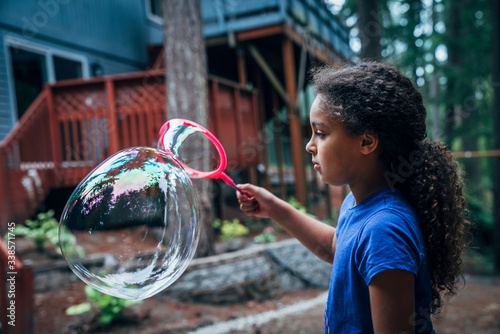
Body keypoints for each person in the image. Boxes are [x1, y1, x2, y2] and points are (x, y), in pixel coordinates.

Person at [237, 62, 470, 334]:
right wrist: (274, 208)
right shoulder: (357, 203)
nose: (309, 145)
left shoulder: (385, 230)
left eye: (321, 133)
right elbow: (336, 249)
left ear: (366, 143)